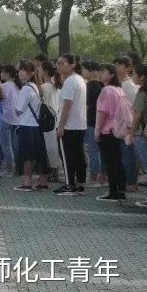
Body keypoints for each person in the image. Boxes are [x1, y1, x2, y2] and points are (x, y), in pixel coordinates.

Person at [54, 54, 87, 196]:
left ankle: (70, 185)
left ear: (72, 65)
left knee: (67, 156)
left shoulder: (69, 82)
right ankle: (80, 183)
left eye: (62, 63)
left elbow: (67, 105)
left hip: (69, 125)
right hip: (79, 125)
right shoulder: (79, 79)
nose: (58, 66)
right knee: (78, 155)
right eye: (58, 63)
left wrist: (61, 125)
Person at [94, 64, 128, 202]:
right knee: (118, 161)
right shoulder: (119, 89)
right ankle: (120, 190)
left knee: (110, 162)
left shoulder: (106, 90)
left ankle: (112, 191)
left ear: (112, 74)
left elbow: (102, 112)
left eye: (103, 71)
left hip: (107, 130)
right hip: (117, 129)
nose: (100, 73)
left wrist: (97, 131)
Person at [14, 61, 49, 191]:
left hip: (26, 125)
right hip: (36, 125)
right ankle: (43, 182)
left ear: (32, 73)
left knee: (26, 156)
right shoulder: (35, 87)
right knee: (39, 155)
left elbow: (18, 110)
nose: (21, 73)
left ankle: (27, 182)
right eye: (20, 70)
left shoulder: (26, 89)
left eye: (24, 70)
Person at [129, 64, 147, 208]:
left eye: (134, 74)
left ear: (142, 77)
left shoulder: (142, 94)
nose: (132, 76)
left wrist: (131, 133)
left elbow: (137, 116)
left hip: (142, 133)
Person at [115, 56, 139, 192]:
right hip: (120, 125)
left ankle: (131, 183)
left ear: (128, 68)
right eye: (116, 64)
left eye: (120, 64)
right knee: (123, 154)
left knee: (128, 154)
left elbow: (133, 107)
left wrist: (131, 126)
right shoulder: (119, 83)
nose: (117, 67)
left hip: (128, 124)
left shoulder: (128, 85)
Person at [81, 61, 105, 188]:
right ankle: (101, 177)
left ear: (93, 71)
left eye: (85, 69)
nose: (83, 71)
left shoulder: (90, 86)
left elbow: (86, 105)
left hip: (91, 121)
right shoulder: (101, 85)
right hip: (100, 121)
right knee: (98, 151)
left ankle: (94, 178)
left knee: (93, 151)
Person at [40, 60, 63, 187]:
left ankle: (52, 172)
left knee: (49, 146)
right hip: (56, 118)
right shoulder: (57, 85)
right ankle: (55, 172)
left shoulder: (44, 87)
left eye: (40, 69)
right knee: (54, 146)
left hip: (47, 120)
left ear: (45, 71)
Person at [0, 65, 21, 175]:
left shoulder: (3, 86)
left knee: (6, 146)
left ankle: (9, 170)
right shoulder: (18, 86)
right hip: (16, 119)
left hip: (5, 118)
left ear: (7, 73)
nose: (1, 74)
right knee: (14, 146)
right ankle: (17, 168)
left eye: (2, 72)